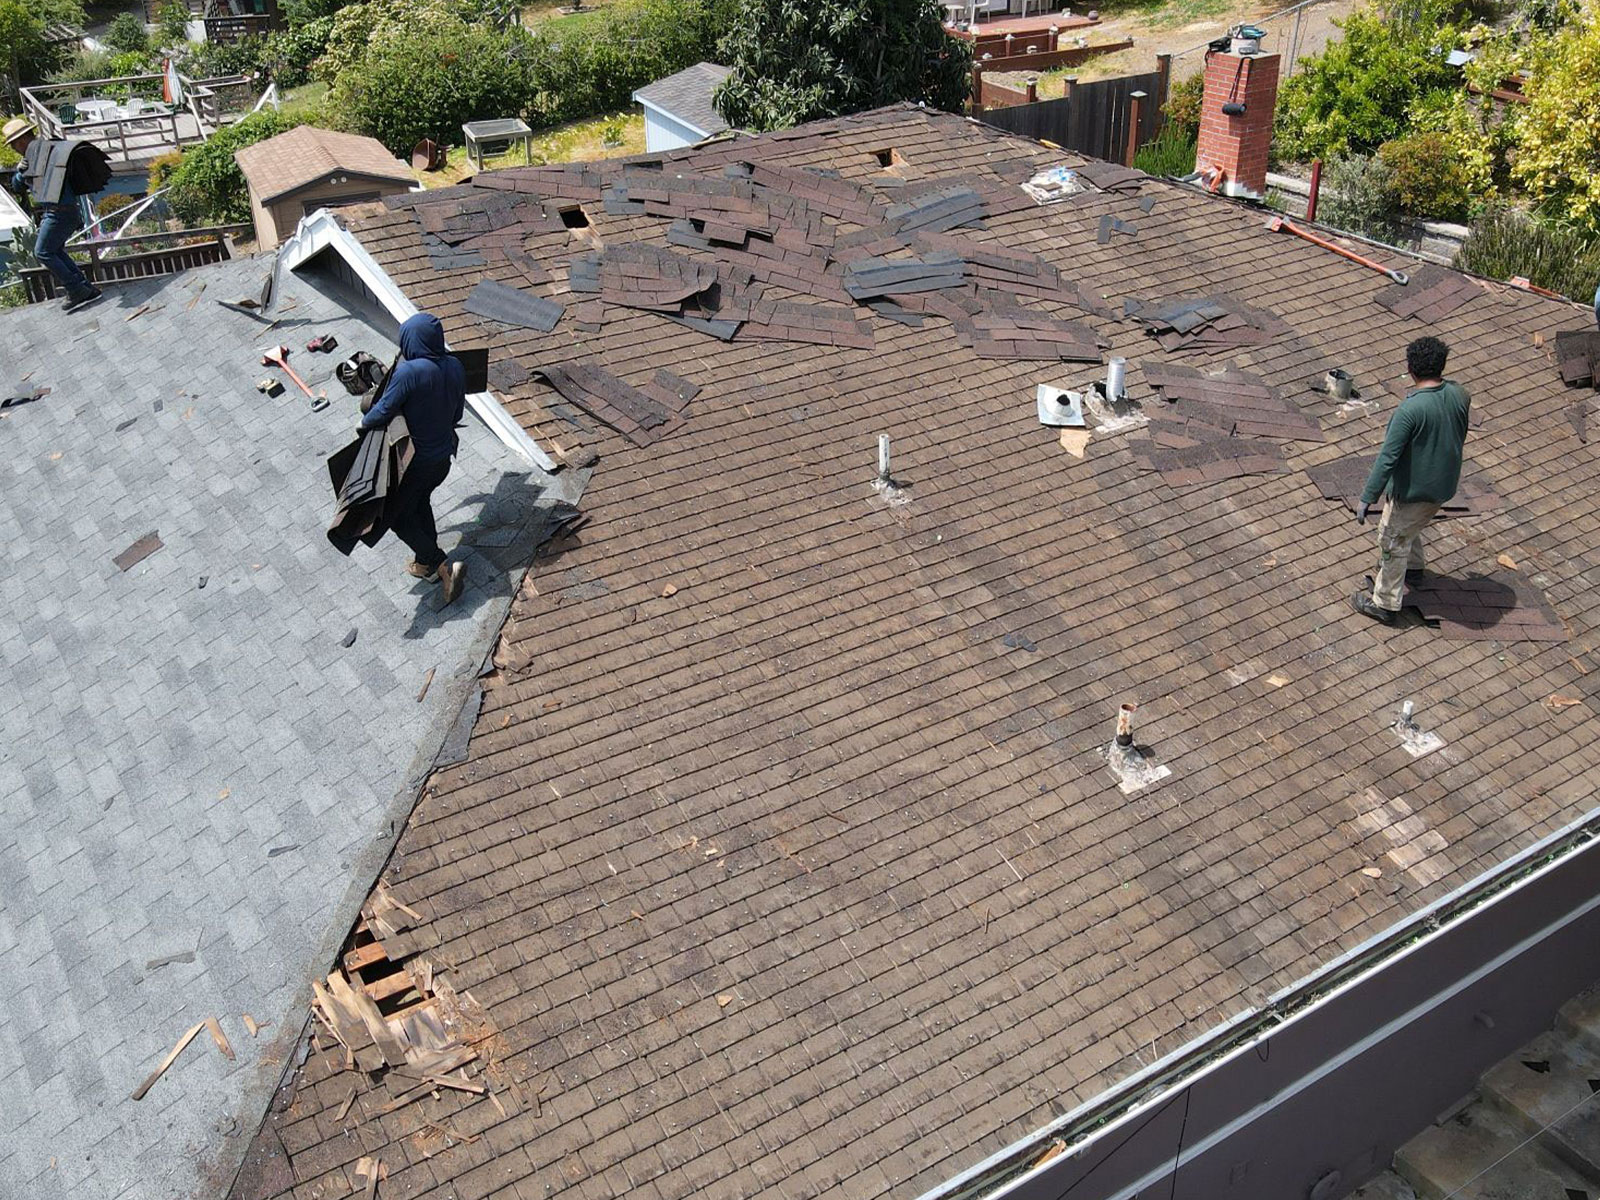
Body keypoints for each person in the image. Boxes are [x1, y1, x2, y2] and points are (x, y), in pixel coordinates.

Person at [1350, 335, 1471, 626]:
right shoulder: (1459, 393)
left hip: (1415, 491)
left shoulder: (1410, 411)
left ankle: (1385, 603)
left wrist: (1367, 497)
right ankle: (1414, 570)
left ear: (1410, 369)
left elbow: (1387, 459)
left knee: (1392, 538)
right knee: (1410, 526)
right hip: (1443, 485)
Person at [359, 312, 467, 605]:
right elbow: (457, 414)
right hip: (442, 461)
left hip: (414, 465)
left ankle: (442, 564)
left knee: (398, 518)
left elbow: (382, 410)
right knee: (420, 502)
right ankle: (425, 565)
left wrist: (364, 422)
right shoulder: (455, 365)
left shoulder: (410, 373)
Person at [2, 118, 103, 312]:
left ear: (22, 140)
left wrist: (24, 171)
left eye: (14, 144)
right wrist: (19, 171)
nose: (14, 148)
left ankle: (75, 289)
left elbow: (40, 175)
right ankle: (84, 288)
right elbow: (17, 187)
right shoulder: (30, 159)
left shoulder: (47, 153)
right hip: (61, 212)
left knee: (43, 252)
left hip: (59, 212)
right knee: (54, 251)